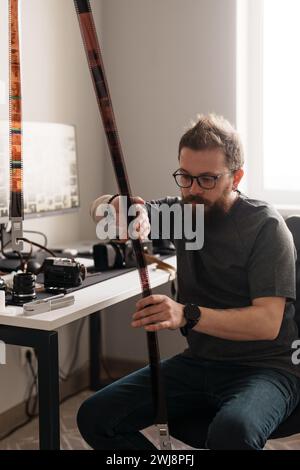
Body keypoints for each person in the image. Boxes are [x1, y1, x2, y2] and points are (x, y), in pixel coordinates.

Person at [77, 114, 300, 450]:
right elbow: (101, 216)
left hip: (266, 367)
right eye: (185, 177)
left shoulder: (263, 227)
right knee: (95, 417)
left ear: (236, 177)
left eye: (208, 179)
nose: (193, 190)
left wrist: (187, 314)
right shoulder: (186, 215)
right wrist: (114, 207)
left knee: (231, 433)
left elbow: (267, 323)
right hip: (200, 363)